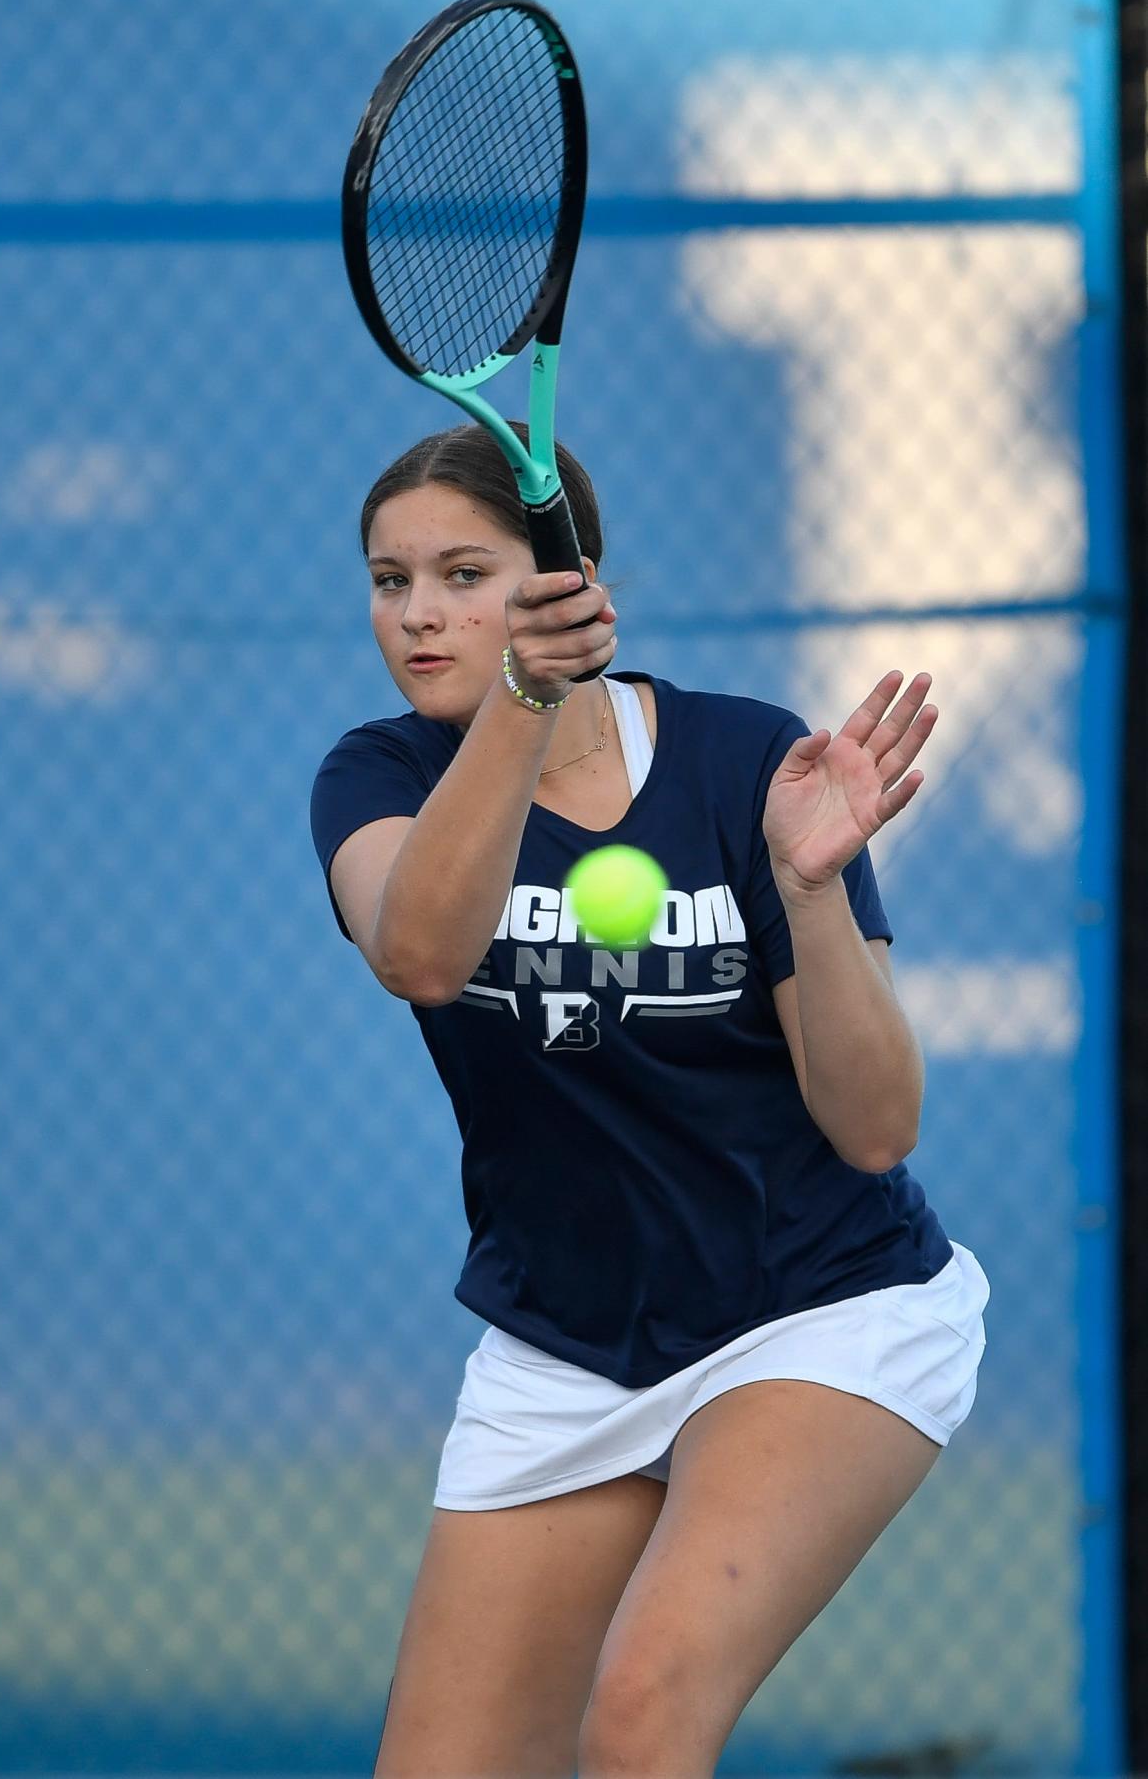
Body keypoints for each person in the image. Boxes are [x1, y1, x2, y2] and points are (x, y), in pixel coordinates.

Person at [310, 421, 989, 1779]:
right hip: (567, 1340)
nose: (420, 614)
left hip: (817, 1305)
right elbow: (423, 954)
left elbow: (874, 1128)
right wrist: (518, 702)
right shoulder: (377, 777)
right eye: (391, 582)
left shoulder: (745, 763)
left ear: (569, 580)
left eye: (463, 573)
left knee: (641, 1714)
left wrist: (804, 891)